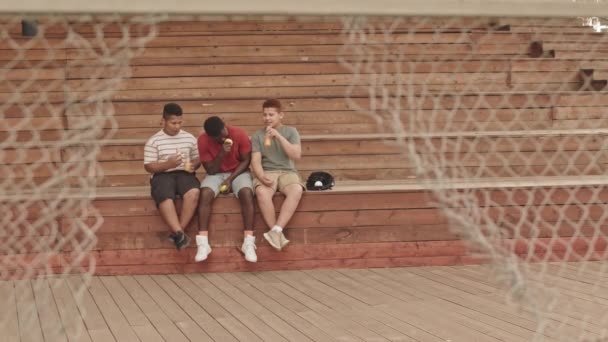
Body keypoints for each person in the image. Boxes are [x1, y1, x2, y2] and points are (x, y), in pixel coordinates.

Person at [196, 116, 257, 262]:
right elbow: (210, 170)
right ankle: (203, 243)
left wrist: (230, 179)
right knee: (204, 194)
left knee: (247, 193)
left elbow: (246, 161)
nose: (224, 135)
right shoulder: (203, 140)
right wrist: (222, 153)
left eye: (224, 131)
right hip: (216, 174)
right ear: (211, 137)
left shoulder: (239, 133)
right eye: (219, 137)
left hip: (238, 172)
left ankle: (248, 241)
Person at [144, 103, 200, 250]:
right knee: (164, 195)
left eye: (179, 122)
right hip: (162, 175)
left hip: (185, 173)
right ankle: (179, 232)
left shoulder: (189, 138)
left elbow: (198, 158)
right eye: (173, 123)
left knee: (194, 192)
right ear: (163, 121)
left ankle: (178, 233)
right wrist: (168, 164)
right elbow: (148, 166)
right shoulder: (154, 141)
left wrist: (194, 164)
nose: (177, 126)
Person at [251, 99, 304, 251]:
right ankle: (277, 233)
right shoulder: (257, 136)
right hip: (268, 172)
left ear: (281, 115)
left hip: (288, 171)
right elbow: (256, 161)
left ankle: (276, 230)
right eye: (264, 115)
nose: (267, 118)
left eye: (271, 115)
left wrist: (279, 136)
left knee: (296, 190)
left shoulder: (291, 131)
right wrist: (261, 176)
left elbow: (296, 155)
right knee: (261, 192)